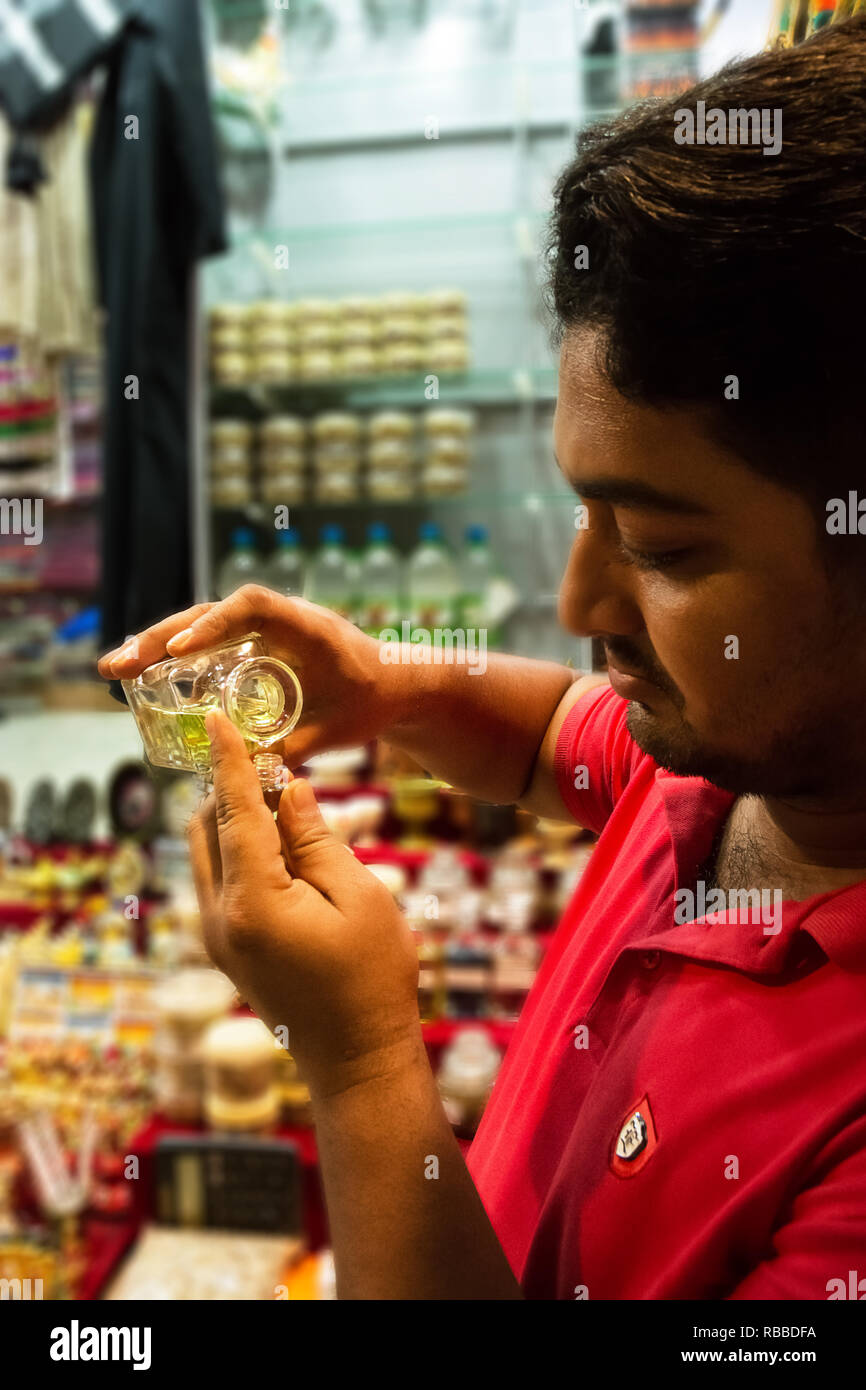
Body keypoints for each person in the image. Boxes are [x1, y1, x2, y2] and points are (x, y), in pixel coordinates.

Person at [99, 18, 866, 1300]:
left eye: (660, 549)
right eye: (588, 516)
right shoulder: (738, 765)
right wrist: (379, 685)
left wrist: (359, 1068)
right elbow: (548, 731)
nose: (577, 602)